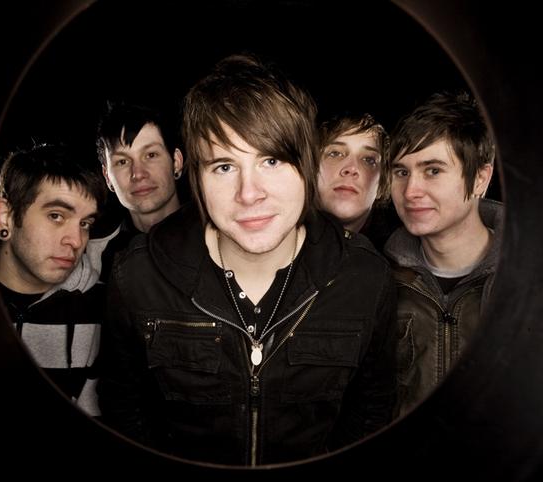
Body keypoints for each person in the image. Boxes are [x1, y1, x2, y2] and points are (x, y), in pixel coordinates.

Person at [98, 54, 397, 465]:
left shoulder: (366, 278)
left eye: (271, 161)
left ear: (307, 164)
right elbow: (125, 409)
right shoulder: (136, 275)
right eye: (224, 166)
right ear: (197, 178)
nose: (249, 193)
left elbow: (370, 413)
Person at [383, 91, 503, 417]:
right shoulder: (379, 279)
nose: (411, 192)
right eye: (401, 172)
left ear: (480, 178)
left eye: (433, 170)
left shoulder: (528, 274)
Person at [0, 143, 108, 416]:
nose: (76, 241)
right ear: (5, 218)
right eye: (56, 216)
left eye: (85, 223)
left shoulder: (100, 308)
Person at [95, 101, 184, 280]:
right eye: (122, 162)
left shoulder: (218, 234)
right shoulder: (94, 259)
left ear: (176, 162)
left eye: (151, 155)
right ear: (107, 177)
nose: (138, 174)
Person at [318, 113, 400, 251]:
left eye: (368, 160)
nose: (351, 168)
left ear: (382, 185)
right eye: (335, 153)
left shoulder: (396, 257)